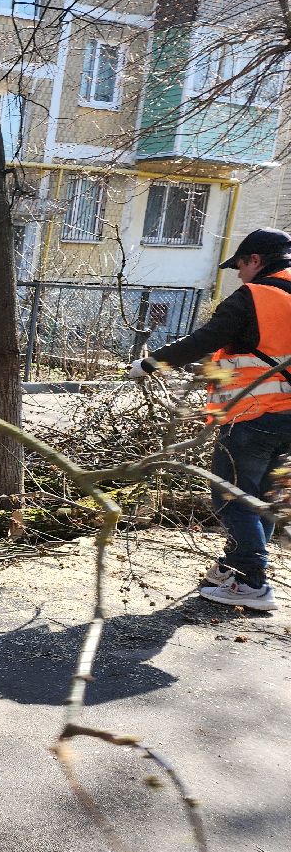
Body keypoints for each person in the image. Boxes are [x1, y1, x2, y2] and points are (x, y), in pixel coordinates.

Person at [128, 226, 291, 612]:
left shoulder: (255, 296)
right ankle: (237, 567)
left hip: (255, 414)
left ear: (256, 261)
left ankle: (251, 580)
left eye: (240, 265)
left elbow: (204, 340)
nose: (238, 274)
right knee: (261, 496)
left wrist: (150, 364)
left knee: (231, 494)